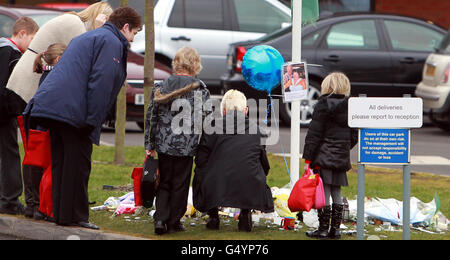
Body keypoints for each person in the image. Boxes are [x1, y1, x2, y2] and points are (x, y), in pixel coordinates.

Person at [24, 7, 142, 230]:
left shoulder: (89, 36)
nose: (133, 39)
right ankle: (76, 216)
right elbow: (101, 83)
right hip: (73, 111)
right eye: (134, 32)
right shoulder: (111, 42)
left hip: (51, 106)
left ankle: (61, 214)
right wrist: (93, 121)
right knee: (78, 163)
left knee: (61, 162)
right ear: (125, 27)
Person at [145, 47, 210, 235]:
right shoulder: (200, 89)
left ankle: (160, 218)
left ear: (176, 64)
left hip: (164, 143)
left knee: (164, 181)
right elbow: (205, 119)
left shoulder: (161, 86)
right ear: (195, 65)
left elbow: (151, 117)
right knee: (181, 183)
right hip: (187, 145)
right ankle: (174, 221)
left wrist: (149, 144)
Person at [193, 89, 274, 232]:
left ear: (223, 110)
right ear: (246, 110)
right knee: (251, 169)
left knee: (202, 172)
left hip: (217, 182)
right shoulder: (258, 130)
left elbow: (200, 160)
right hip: (250, 181)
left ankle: (213, 215)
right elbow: (263, 162)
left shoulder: (211, 127)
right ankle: (245, 213)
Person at [6, 2, 112, 105]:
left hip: (30, 76)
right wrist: (98, 31)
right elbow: (87, 60)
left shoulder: (73, 20)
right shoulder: (75, 23)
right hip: (28, 81)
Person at [302, 72, 358, 239]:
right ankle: (336, 229)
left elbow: (314, 134)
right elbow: (354, 134)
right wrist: (344, 148)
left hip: (323, 155)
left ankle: (323, 228)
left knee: (324, 191)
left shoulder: (322, 105)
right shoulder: (351, 106)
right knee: (337, 191)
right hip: (341, 156)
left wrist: (308, 159)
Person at [23, 43, 67, 221]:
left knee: (35, 166)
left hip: (36, 126)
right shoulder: (55, 77)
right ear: (58, 59)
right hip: (46, 128)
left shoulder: (46, 75)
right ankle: (44, 207)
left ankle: (34, 206)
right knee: (47, 169)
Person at [0, 17, 39, 215]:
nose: (34, 44)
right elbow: (10, 88)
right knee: (9, 155)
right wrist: (15, 110)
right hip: (4, 114)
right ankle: (10, 200)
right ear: (22, 33)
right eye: (33, 37)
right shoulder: (13, 53)